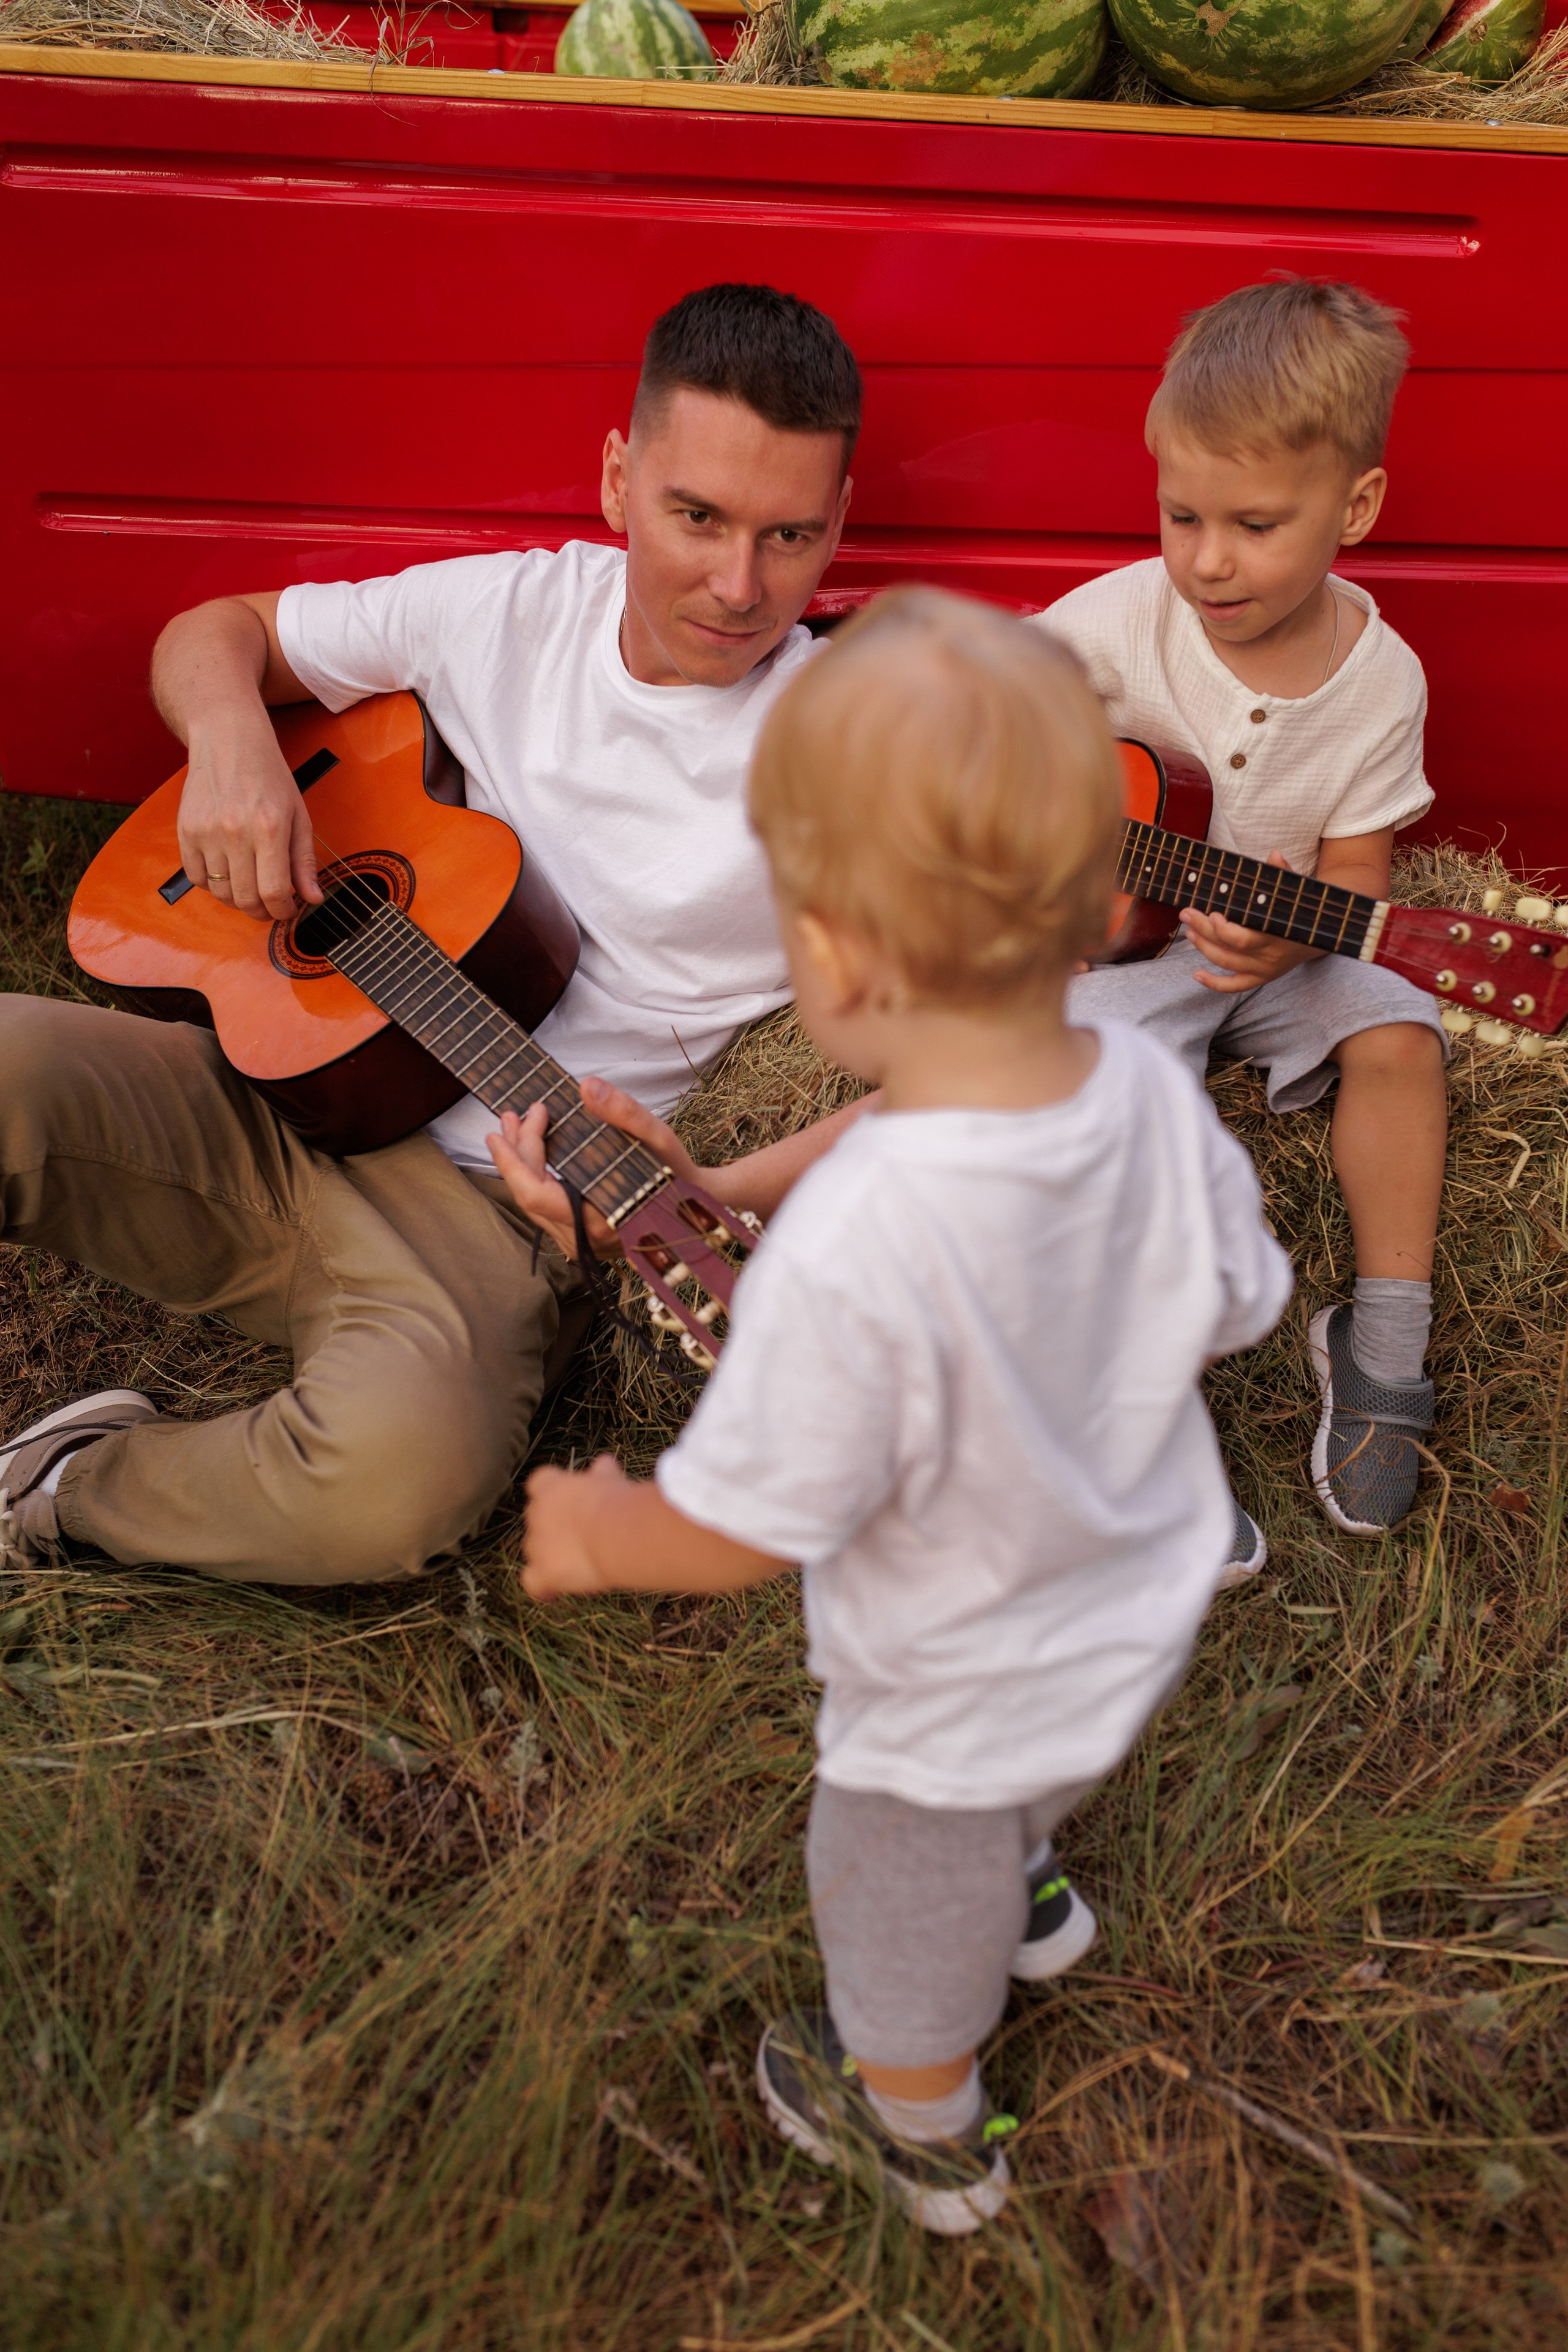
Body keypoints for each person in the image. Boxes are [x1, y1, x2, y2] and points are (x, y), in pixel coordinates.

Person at [503, 591, 1292, 2236]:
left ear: (839, 954)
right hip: (1134, 1611)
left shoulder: (856, 1246)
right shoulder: (1145, 1088)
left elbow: (747, 1525)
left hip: (954, 1690)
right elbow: (1240, 1300)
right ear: (1092, 911)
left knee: (888, 1895)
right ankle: (1026, 1888)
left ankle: (923, 2122)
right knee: (1024, 1796)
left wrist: (597, 1531)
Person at [0, 284, 869, 1584]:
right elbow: (215, 635)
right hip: (282, 1083)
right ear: (618, 479)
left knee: (389, 1487)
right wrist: (237, 747)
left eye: (788, 537)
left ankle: (70, 1488)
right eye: (696, 517)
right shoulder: (508, 610)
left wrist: (715, 1189)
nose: (737, 586)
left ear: (837, 524)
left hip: (497, 1216)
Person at [1041, 278, 1447, 1567]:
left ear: (1355, 509)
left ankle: (1382, 1344)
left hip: (1282, 958)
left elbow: (1360, 884)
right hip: (1125, 956)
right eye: (1179, 516)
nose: (1206, 559)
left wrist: (1297, 939)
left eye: (1254, 525)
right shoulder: (1112, 621)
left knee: (1400, 1031)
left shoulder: (1380, 684)